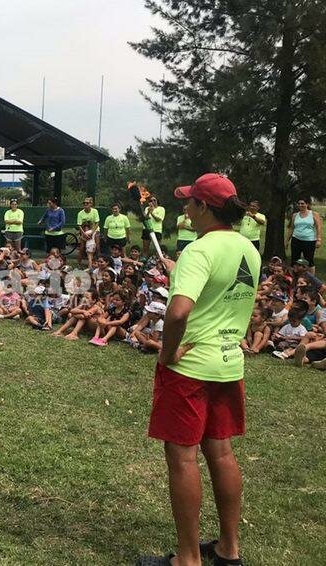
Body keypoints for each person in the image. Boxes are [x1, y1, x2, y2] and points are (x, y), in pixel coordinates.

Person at [139, 173, 260, 566]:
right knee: (222, 453)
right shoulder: (248, 249)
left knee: (184, 459)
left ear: (205, 208)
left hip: (189, 368)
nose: (185, 208)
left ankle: (187, 559)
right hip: (228, 365)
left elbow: (178, 313)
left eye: (191, 201)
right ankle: (228, 550)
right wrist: (181, 271)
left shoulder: (199, 250)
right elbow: (223, 290)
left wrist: (167, 353)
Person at [287, 196, 322, 271]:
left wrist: (319, 239)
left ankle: (310, 280)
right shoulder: (295, 215)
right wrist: (287, 240)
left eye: (302, 203)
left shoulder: (313, 214)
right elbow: (292, 228)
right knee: (294, 260)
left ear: (307, 204)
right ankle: (295, 279)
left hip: (309, 240)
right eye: (299, 203)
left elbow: (318, 227)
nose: (300, 205)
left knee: (309, 261)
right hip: (296, 240)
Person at [77, 197, 100, 263]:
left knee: (97, 246)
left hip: (95, 230)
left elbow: (97, 223)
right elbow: (79, 225)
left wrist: (92, 232)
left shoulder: (95, 211)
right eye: (84, 203)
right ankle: (79, 263)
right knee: (81, 247)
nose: (85, 204)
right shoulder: (80, 213)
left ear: (91, 204)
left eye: (87, 203)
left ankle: (98, 262)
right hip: (84, 231)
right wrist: (83, 234)